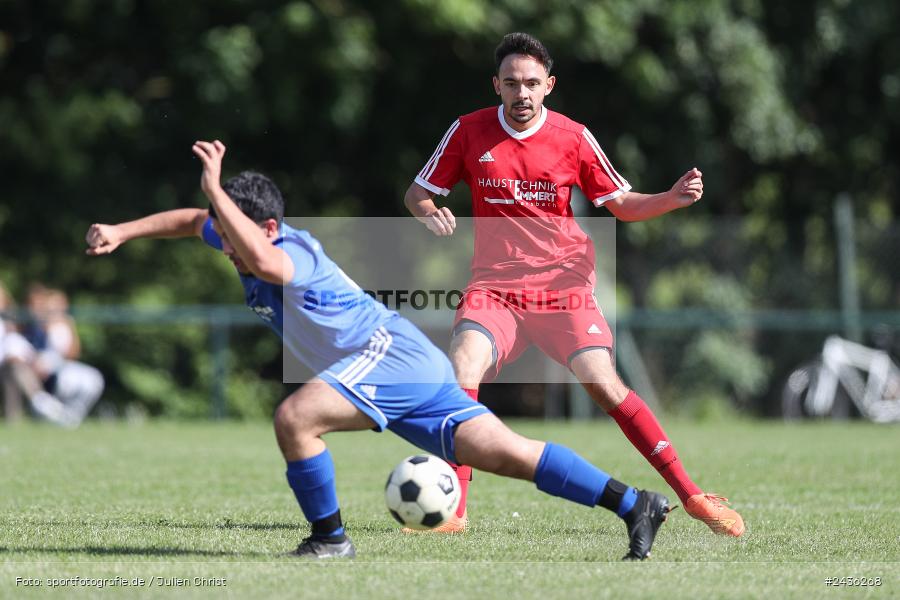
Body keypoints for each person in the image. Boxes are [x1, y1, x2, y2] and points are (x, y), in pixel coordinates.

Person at [85, 139, 671, 560]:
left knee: (295, 418)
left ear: (265, 227)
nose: (224, 243)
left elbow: (263, 262)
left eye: (231, 227)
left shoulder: (292, 250)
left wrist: (214, 186)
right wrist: (123, 231)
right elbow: (192, 222)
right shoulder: (236, 234)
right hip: (410, 365)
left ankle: (330, 541)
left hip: (387, 355)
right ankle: (633, 503)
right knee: (510, 455)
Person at [404, 32, 744, 537]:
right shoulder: (467, 132)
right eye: (513, 83)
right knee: (462, 370)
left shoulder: (573, 138)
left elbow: (622, 206)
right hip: (494, 289)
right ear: (496, 85)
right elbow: (416, 195)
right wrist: (430, 213)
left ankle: (692, 496)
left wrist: (671, 198)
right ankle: (455, 513)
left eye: (532, 84)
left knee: (604, 385)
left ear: (549, 87)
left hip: (563, 286)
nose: (522, 93)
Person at [20, 285, 105, 426]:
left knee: (94, 379)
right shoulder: (37, 325)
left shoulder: (65, 323)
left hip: (62, 366)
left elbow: (73, 353)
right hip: (46, 371)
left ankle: (71, 416)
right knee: (61, 387)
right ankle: (52, 415)